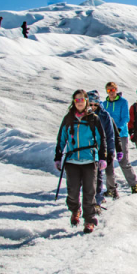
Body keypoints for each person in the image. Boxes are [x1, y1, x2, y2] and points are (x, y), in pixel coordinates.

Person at [54, 90, 107, 234]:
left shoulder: (93, 119)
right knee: (72, 191)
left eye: (82, 99)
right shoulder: (68, 119)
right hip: (72, 161)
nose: (80, 102)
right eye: (77, 100)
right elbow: (61, 139)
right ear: (73, 101)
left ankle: (89, 220)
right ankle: (75, 210)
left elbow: (101, 139)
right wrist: (58, 157)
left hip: (90, 160)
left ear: (86, 101)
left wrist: (102, 157)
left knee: (90, 192)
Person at [87, 90, 120, 209]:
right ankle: (90, 199)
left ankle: (98, 200)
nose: (93, 107)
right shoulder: (83, 115)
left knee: (99, 176)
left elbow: (110, 135)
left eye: (95, 104)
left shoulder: (104, 115)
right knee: (89, 177)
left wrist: (110, 151)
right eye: (90, 104)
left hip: (101, 150)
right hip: (87, 150)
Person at [104, 82, 137, 194]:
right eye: (109, 90)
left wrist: (118, 128)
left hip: (121, 135)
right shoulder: (104, 104)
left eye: (113, 89)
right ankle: (110, 188)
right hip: (108, 136)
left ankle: (133, 184)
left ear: (116, 90)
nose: (111, 92)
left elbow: (126, 117)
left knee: (123, 160)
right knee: (108, 161)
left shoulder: (123, 102)